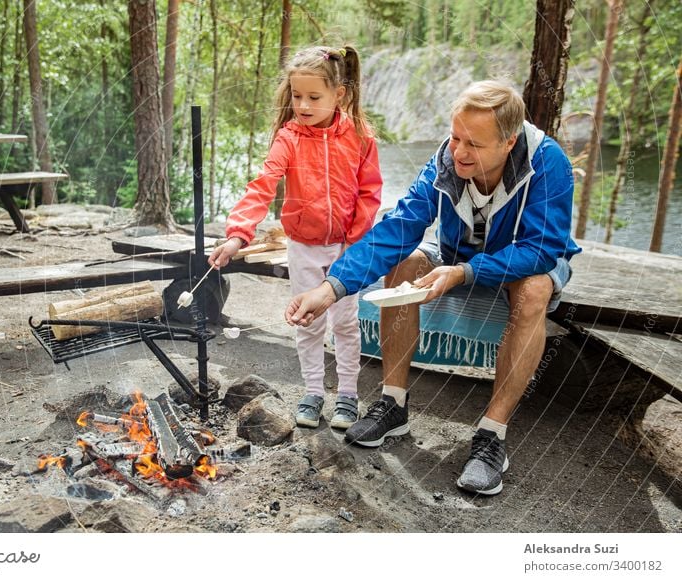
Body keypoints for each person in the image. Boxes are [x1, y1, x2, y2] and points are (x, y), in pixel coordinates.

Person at [285, 80, 581, 495]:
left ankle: (492, 434)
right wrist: (330, 288)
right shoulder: (446, 160)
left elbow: (542, 248)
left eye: (473, 144)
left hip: (523, 257)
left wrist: (464, 273)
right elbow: (399, 229)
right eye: (455, 136)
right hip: (455, 248)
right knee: (406, 260)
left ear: (509, 142)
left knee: (534, 289)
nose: (458, 151)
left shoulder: (549, 164)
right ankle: (394, 403)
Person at [209, 45, 383, 430]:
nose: (302, 105)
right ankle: (313, 392)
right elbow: (262, 186)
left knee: (346, 322)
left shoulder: (359, 135)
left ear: (339, 94)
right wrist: (238, 236)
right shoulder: (288, 138)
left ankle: (348, 396)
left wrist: (355, 242)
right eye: (296, 95)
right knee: (307, 322)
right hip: (303, 246)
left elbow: (370, 193)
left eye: (313, 97)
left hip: (346, 248)